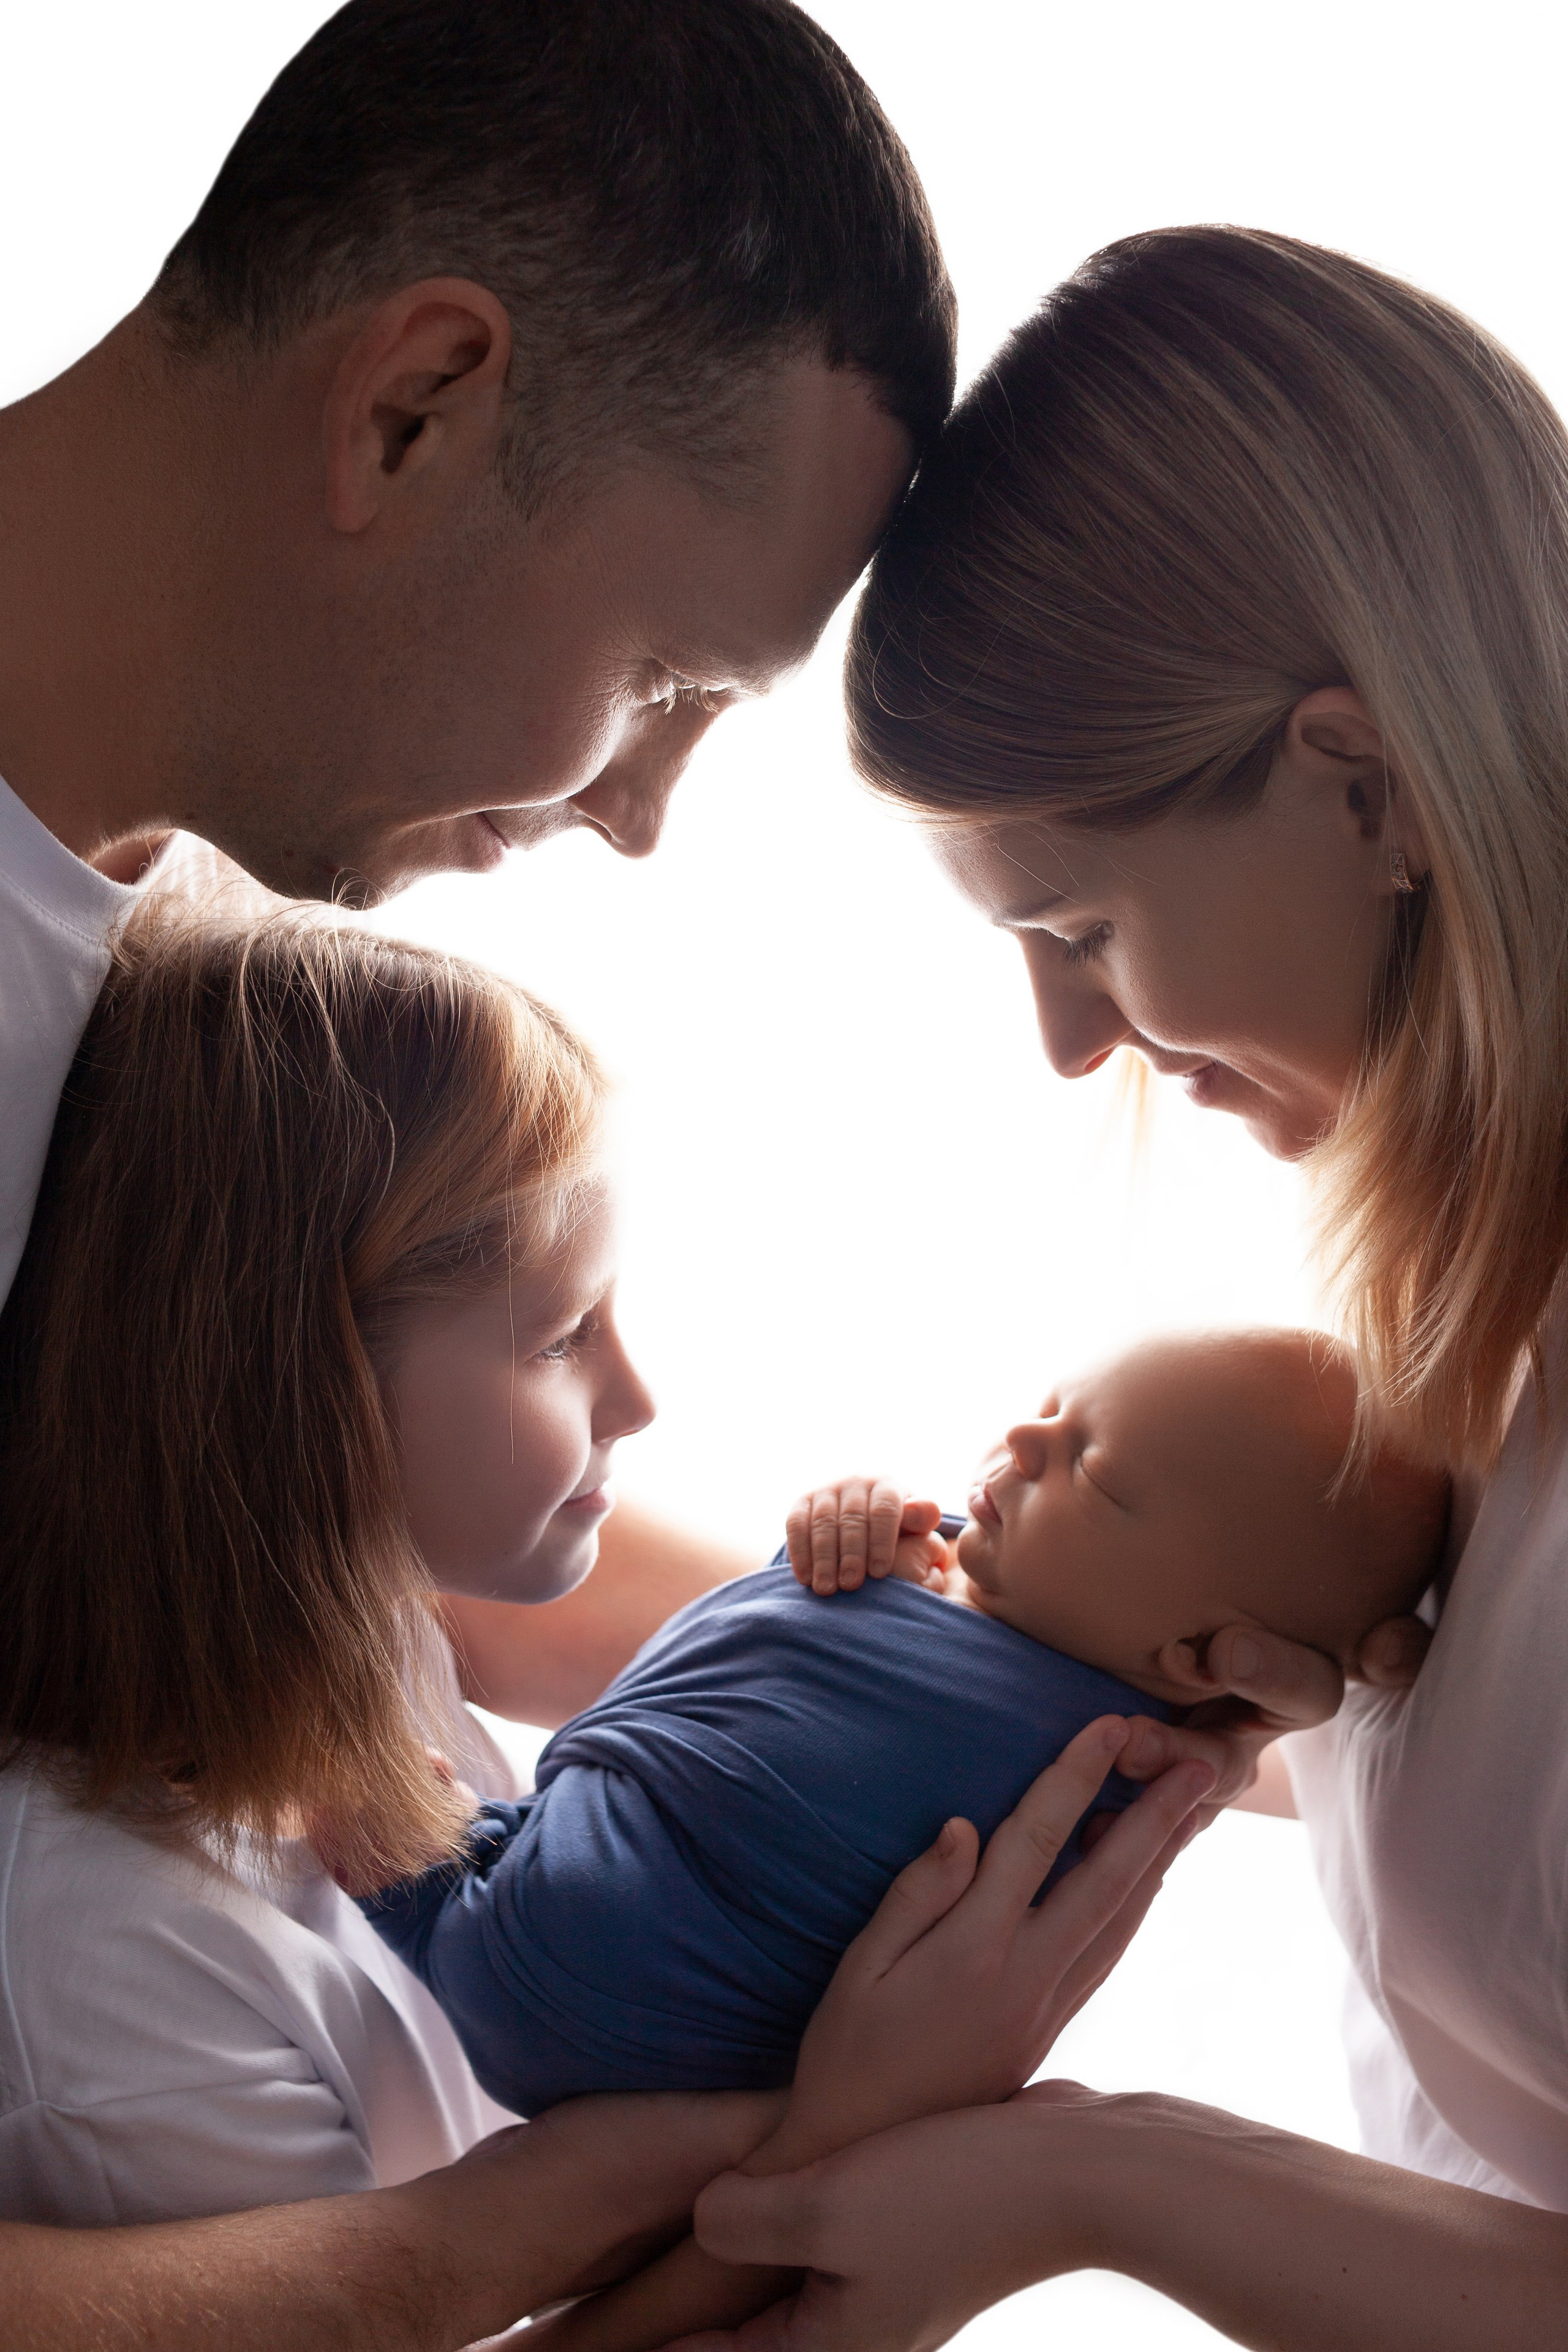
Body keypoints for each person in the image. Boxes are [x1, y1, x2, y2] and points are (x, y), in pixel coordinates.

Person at [0, 0, 957, 2336]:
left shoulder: (185, 963)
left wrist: (1068, 1680)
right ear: (416, 406)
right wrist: (437, 2262)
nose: (635, 815)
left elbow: (324, 1516)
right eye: (664, 686)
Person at [677, 225, 1568, 2346]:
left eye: (1077, 926)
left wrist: (1098, 2175)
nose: (1072, 1046)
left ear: (1364, 785)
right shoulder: (1461, 1315)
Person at [0, 907, 1212, 2321]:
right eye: (565, 1336)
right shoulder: (108, 1985)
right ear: (300, 1400)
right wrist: (863, 2116)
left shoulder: (364, 1622)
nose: (636, 1399)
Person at [358, 1330, 1444, 2118]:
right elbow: (774, 1643)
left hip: (597, 1963)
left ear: (1200, 1659)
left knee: (372, 1803)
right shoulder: (957, 1565)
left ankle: (414, 1866)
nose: (1023, 1439)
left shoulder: (1117, 1763)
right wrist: (835, 1527)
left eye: (1094, 1472)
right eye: (1054, 1407)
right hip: (625, 1983)